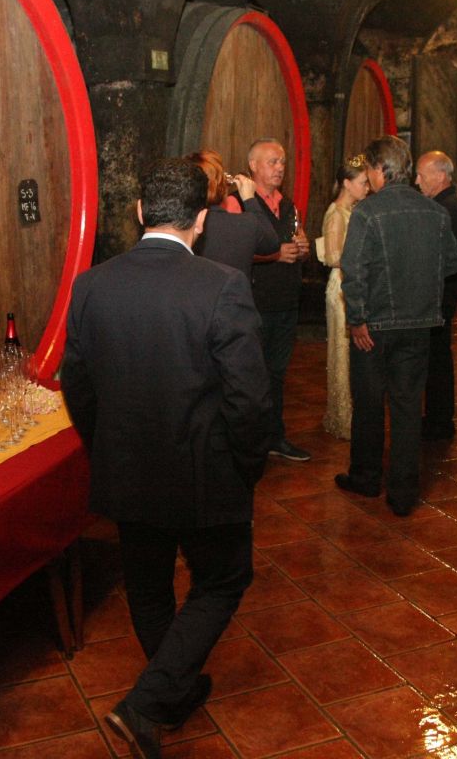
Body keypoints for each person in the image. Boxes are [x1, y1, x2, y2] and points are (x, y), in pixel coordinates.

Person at [60, 159, 271, 759]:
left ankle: (169, 692)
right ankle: (149, 702)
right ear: (201, 220)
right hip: (205, 472)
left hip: (128, 468)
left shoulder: (91, 285)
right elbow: (249, 398)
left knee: (148, 588)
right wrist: (248, 465)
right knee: (224, 579)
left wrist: (108, 444)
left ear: (138, 212)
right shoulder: (222, 285)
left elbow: (77, 384)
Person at [337, 136, 457, 516]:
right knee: (408, 408)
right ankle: (404, 491)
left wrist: (357, 318)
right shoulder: (435, 212)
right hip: (419, 325)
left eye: (369, 169)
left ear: (380, 169)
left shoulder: (367, 212)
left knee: (369, 404)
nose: (369, 177)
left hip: (374, 328)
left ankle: (366, 477)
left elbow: (353, 270)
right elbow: (452, 262)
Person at [225, 138, 312, 462]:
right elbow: (232, 252)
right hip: (255, 302)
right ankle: (249, 441)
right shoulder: (236, 203)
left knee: (276, 374)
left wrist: (302, 249)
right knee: (251, 376)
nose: (280, 168)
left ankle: (275, 436)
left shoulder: (287, 205)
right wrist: (275, 255)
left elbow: (295, 244)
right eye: (272, 162)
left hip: (286, 301)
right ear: (253, 166)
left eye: (283, 162)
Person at [415, 151, 457, 441]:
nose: (417, 181)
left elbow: (445, 259)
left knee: (437, 360)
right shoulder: (445, 205)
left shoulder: (448, 208)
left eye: (421, 175)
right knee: (435, 358)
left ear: (440, 175)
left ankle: (440, 421)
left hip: (440, 296)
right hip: (440, 295)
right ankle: (436, 416)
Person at [319, 154, 371, 440]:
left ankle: (354, 414)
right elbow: (332, 256)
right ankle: (343, 417)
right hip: (341, 288)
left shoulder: (354, 211)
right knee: (342, 351)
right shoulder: (336, 213)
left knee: (353, 353)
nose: (367, 188)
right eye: (363, 182)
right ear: (347, 183)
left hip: (352, 284)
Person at [187, 149, 281, 279]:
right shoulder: (244, 224)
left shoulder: (177, 221)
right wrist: (249, 198)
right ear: (221, 185)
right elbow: (272, 245)